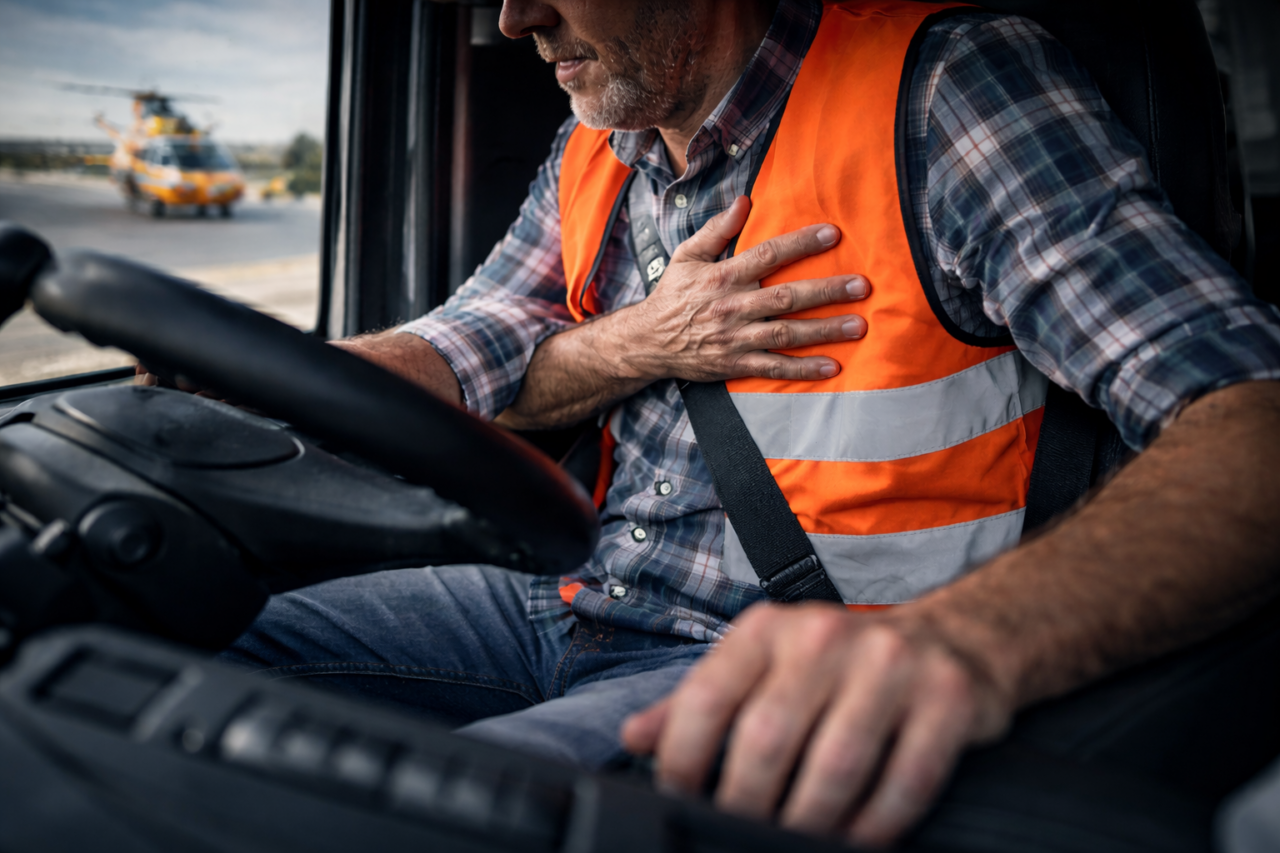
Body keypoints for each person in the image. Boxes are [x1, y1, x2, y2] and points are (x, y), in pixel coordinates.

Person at [215, 0, 1280, 847]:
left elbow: (1247, 411)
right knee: (176, 635)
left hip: (791, 654)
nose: (511, 18)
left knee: (376, 814)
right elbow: (467, 345)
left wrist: (960, 645)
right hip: (567, 601)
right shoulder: (596, 150)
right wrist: (214, 387)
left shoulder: (944, 91)